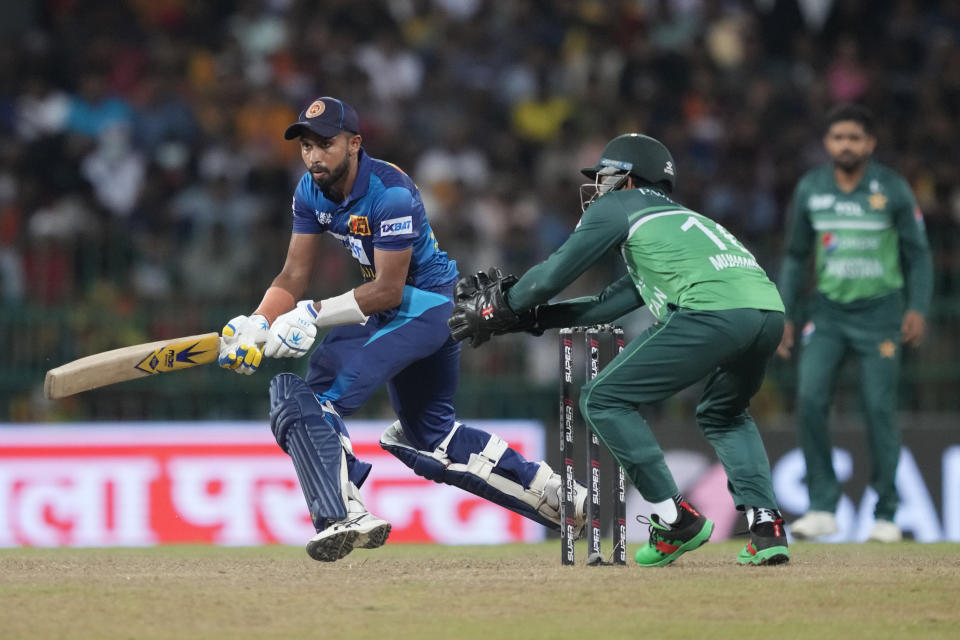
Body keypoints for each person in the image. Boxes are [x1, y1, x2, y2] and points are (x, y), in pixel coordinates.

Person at [216, 96, 586, 562]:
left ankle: (342, 513)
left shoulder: (389, 191)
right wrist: (257, 323)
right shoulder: (309, 192)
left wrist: (311, 314)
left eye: (325, 144)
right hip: (400, 310)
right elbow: (291, 277)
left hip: (425, 307)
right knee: (430, 438)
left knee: (309, 399)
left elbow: (389, 290)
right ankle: (561, 496)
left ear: (354, 143)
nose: (313, 156)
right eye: (306, 146)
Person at [450, 133, 790, 566]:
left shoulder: (621, 207)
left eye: (606, 177)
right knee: (724, 413)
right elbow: (604, 305)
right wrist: (528, 319)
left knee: (603, 398)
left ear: (630, 179)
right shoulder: (683, 224)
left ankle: (676, 518)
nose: (598, 188)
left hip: (712, 312)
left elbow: (551, 275)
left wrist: (499, 308)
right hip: (767, 312)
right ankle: (767, 527)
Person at [776, 104, 933, 543]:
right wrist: (784, 313)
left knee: (880, 409)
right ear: (827, 144)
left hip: (881, 315)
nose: (846, 145)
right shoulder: (811, 188)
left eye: (854, 138)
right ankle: (823, 507)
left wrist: (917, 306)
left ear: (870, 143)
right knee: (808, 400)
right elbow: (794, 257)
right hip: (826, 314)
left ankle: (886, 513)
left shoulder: (893, 188)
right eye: (838, 138)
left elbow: (918, 255)